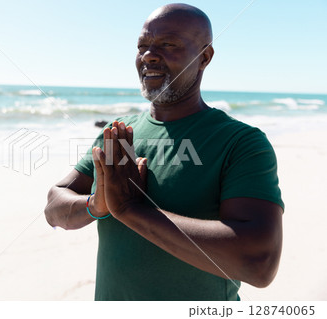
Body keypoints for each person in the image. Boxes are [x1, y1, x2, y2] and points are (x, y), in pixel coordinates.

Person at [44, 3, 284, 301]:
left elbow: (259, 264)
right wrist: (96, 205)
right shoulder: (119, 134)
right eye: (142, 46)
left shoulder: (240, 142)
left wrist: (131, 210)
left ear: (204, 57)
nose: (149, 55)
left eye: (168, 44)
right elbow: (54, 205)